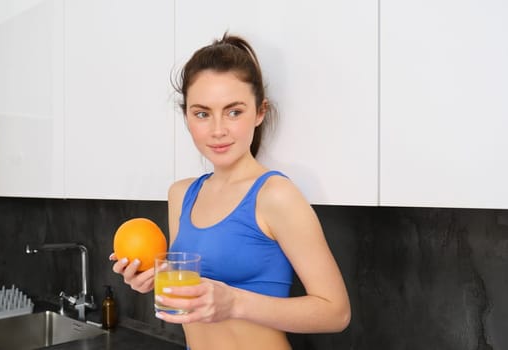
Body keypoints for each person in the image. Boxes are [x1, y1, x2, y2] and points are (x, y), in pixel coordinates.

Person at [110, 33, 350, 349]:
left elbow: (336, 312)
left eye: (234, 111)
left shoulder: (275, 196)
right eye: (202, 113)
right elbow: (191, 295)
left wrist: (234, 302)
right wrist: (151, 279)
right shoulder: (181, 195)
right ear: (186, 116)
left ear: (260, 111)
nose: (218, 129)